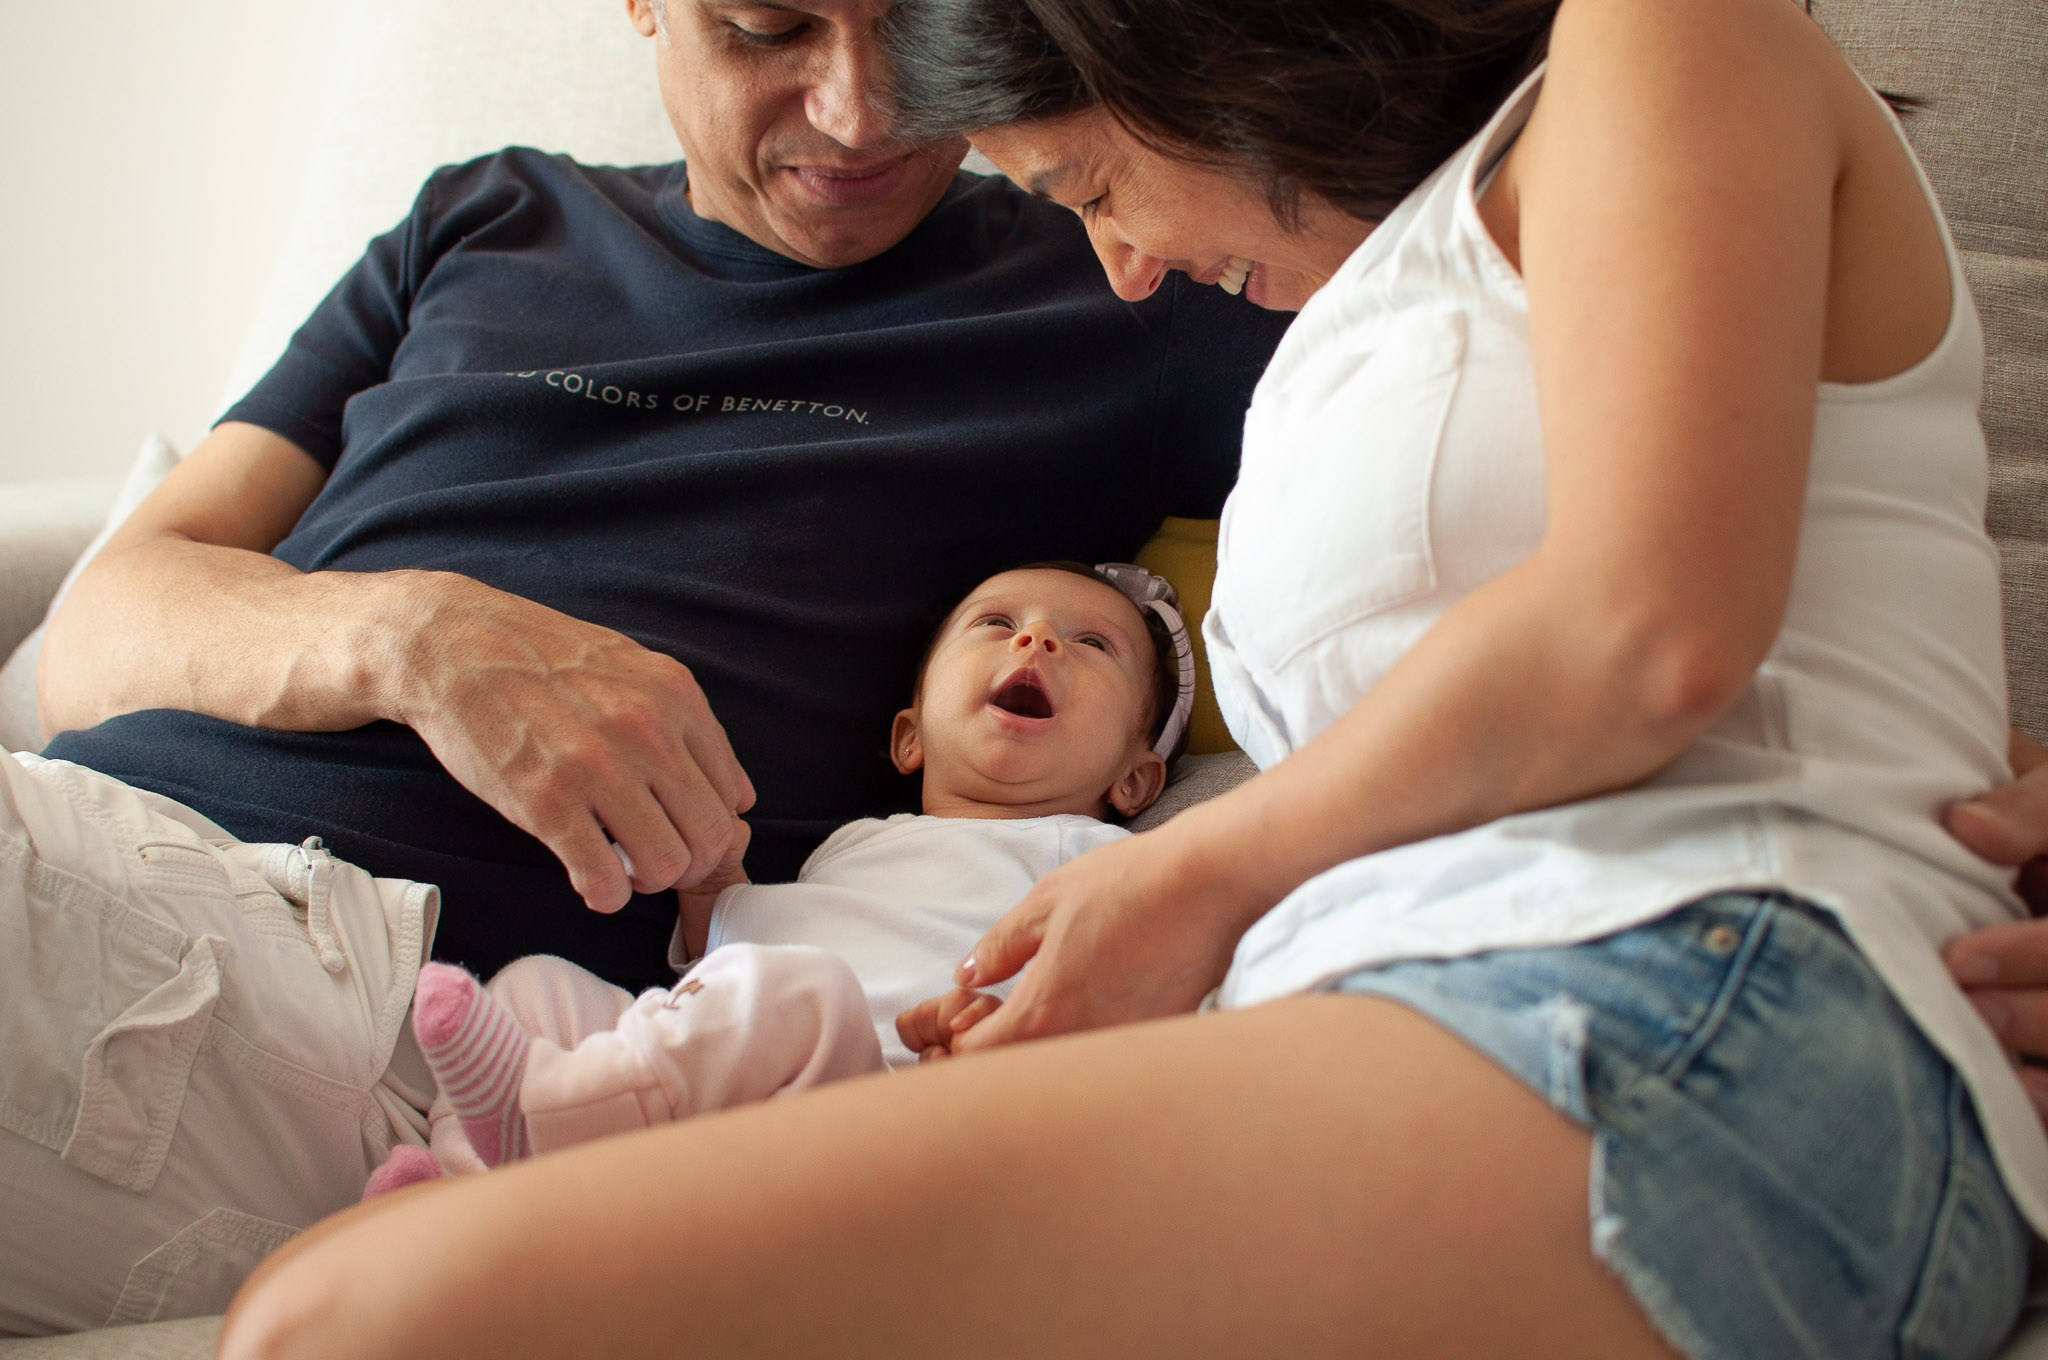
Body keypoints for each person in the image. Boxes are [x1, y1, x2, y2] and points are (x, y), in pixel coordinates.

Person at [213, 1, 2048, 1358]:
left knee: (375, 1321)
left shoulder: (1664, 30)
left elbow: (1648, 626)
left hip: (1686, 990)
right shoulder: (1355, 303)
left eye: (1087, 181)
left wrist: (1176, 874)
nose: (1119, 262)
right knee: (326, 1302)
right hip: (1410, 1007)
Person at [0, 0, 1290, 1338]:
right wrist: (418, 642)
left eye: (918, 29)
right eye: (768, 28)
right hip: (102, 846)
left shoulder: (1119, 276)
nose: (862, 110)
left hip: (421, 1019)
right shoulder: (486, 216)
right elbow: (98, 633)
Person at [372, 562, 1187, 1188]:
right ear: (911, 738)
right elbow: (731, 950)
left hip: (886, 1101)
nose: (1036, 640)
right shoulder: (853, 846)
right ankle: (459, 1182)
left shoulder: (1105, 857)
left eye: (1092, 644)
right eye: (998, 621)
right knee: (540, 987)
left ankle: (549, 1125)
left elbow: (1156, 981)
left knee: (804, 992)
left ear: (1134, 782)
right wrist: (712, 880)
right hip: (724, 1083)